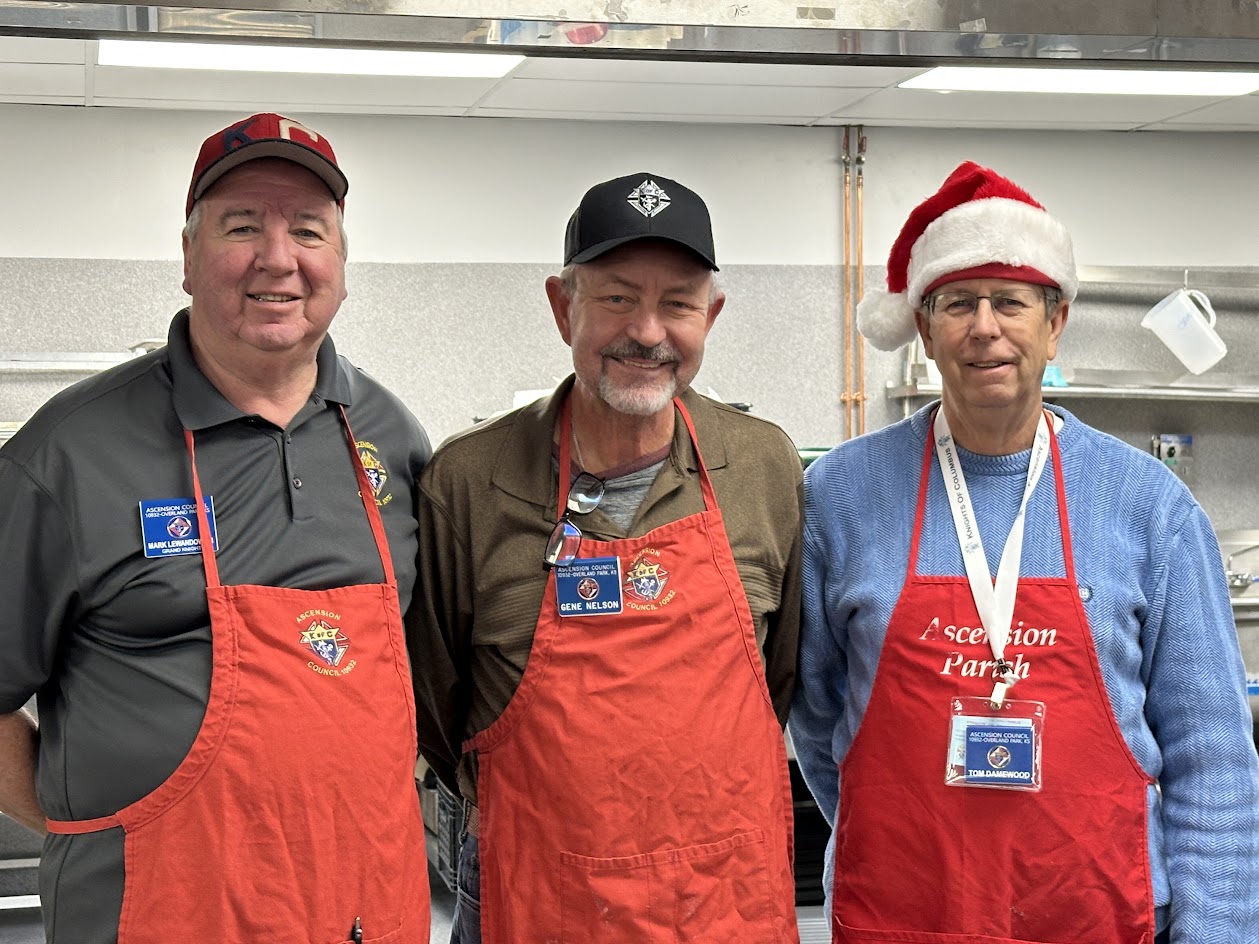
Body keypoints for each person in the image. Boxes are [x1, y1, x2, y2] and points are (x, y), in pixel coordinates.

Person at [789, 161, 1259, 944]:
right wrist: (903, 827)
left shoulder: (1147, 505)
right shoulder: (841, 493)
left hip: (1100, 914)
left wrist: (1219, 932)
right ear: (923, 326)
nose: (984, 328)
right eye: (955, 304)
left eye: (1009, 302)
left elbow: (1210, 753)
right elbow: (818, 713)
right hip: (900, 914)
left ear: (1055, 322)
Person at [0, 113, 433, 943]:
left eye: (308, 230)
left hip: (362, 908)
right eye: (242, 227)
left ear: (341, 264)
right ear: (190, 257)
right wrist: (83, 823)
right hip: (157, 910)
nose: (278, 258)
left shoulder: (388, 435)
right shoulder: (70, 453)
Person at [409, 172, 803, 943]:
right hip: (535, 889)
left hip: (720, 895)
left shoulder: (762, 466)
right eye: (618, 298)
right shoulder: (470, 479)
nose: (648, 332)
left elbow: (779, 679)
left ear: (710, 315)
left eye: (678, 303)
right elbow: (436, 706)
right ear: (563, 308)